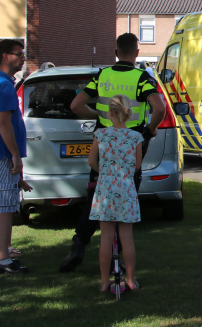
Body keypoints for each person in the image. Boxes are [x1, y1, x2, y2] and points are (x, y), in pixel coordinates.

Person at [59, 33, 165, 272]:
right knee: (127, 194)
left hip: (105, 142)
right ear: (137, 53)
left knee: (96, 194)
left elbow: (75, 105)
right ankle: (121, 252)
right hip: (132, 141)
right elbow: (159, 108)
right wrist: (150, 129)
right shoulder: (142, 78)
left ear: (116, 53)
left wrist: (99, 116)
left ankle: (79, 244)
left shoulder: (102, 75)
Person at [89, 95, 142, 292]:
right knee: (126, 237)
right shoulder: (136, 137)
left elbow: (91, 162)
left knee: (105, 237)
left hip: (105, 190)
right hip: (126, 189)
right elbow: (137, 166)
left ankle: (104, 282)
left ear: (110, 112)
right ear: (128, 113)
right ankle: (130, 280)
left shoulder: (100, 135)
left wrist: (103, 172)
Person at [0, 39, 28, 274]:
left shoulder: (6, 83)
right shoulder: (5, 86)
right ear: (5, 56)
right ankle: (3, 259)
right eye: (19, 54)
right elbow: (4, 123)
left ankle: (5, 250)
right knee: (5, 205)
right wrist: (15, 154)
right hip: (4, 155)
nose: (23, 57)